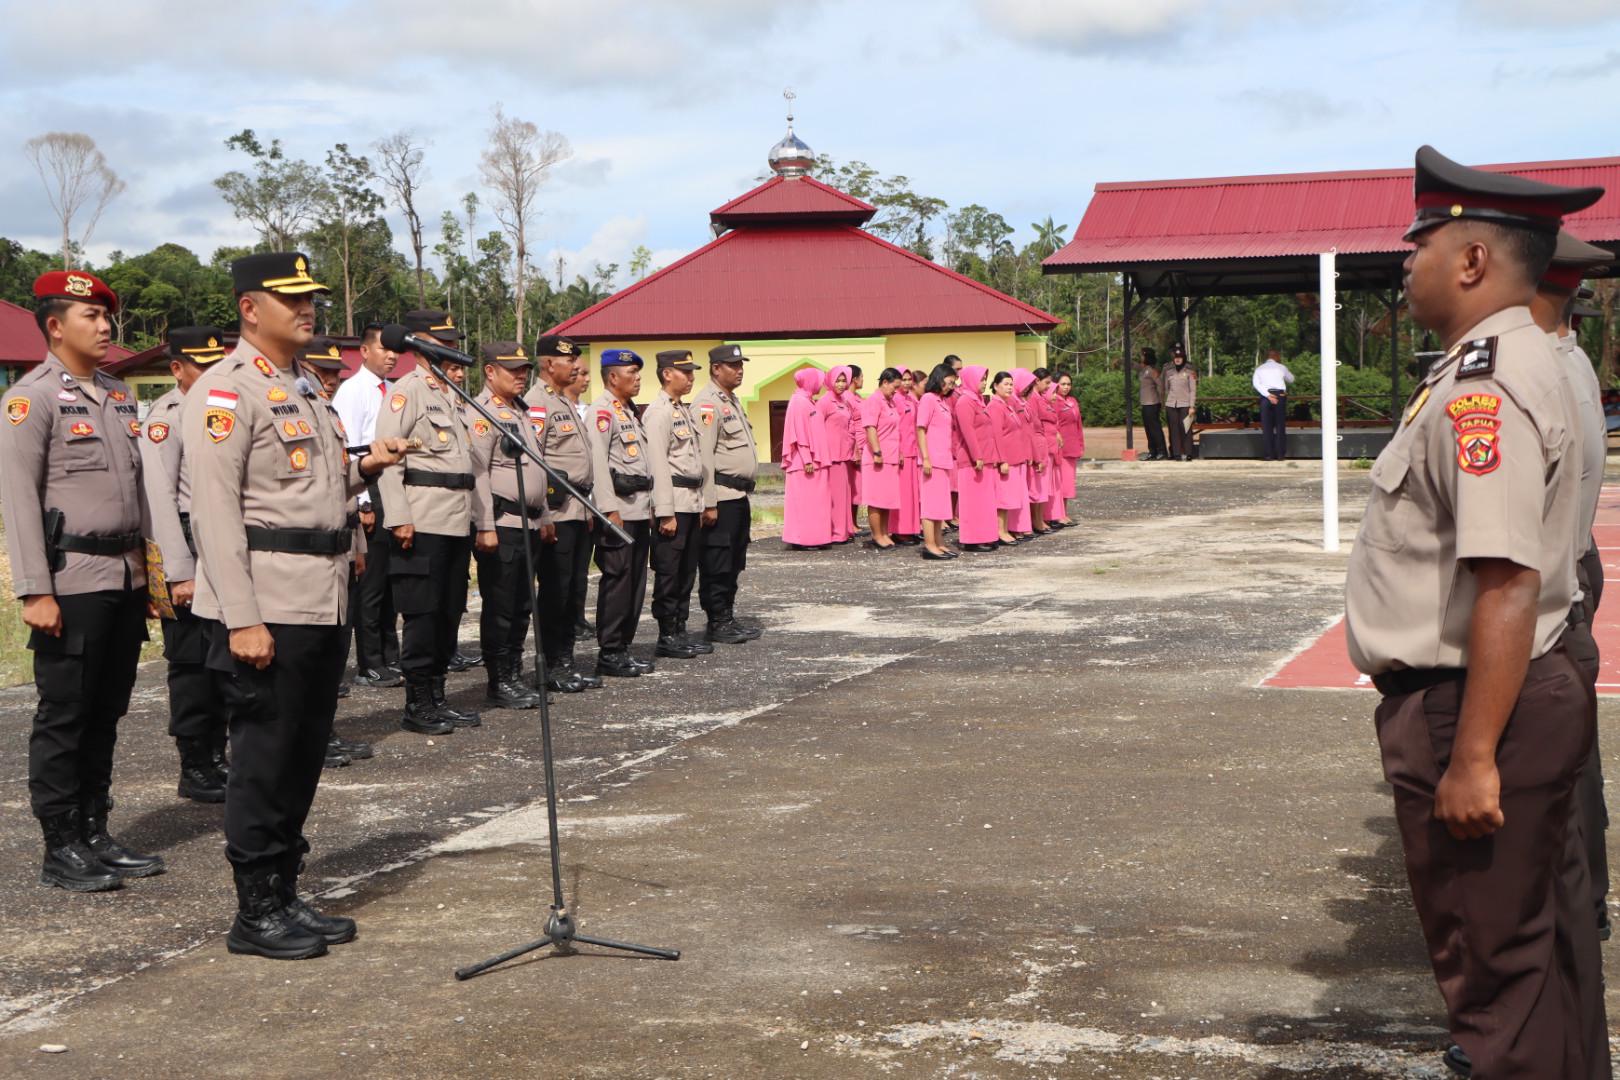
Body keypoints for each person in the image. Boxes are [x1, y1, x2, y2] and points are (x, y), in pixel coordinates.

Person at [1345, 145, 1607, 1077]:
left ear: (1471, 262)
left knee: (1493, 982)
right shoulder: (1512, 361)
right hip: (1496, 692)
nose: (1405, 260)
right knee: (1540, 967)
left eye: (1420, 242)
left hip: (1472, 699)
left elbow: (1504, 582)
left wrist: (1472, 757)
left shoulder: (1486, 382)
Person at [184, 251, 407, 958]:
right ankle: (254, 912)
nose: (308, 309)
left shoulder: (305, 385)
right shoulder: (226, 392)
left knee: (303, 751)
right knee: (263, 755)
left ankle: (284, 891)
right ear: (251, 309)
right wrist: (242, 616)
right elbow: (216, 515)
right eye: (292, 300)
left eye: (311, 298)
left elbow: (316, 486)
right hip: (268, 603)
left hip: (321, 592)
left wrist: (364, 468)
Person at [1, 270, 160, 893]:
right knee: (65, 713)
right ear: (53, 326)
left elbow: (140, 494)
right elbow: (17, 500)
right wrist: (34, 590)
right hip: (71, 580)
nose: (104, 326)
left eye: (105, 316)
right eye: (89, 316)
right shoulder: (31, 398)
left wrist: (151, 574)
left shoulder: (119, 396)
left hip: (122, 575)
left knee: (107, 710)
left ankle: (95, 829)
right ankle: (60, 843)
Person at [1530, 231, 1614, 954]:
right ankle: (1586, 908)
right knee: (1574, 768)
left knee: (1550, 780)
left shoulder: (1542, 375)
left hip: (1544, 597)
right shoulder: (1573, 363)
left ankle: (1572, 920)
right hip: (1575, 575)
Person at [373, 312, 479, 735]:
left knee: (450, 612)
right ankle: (417, 702)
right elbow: (386, 458)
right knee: (422, 614)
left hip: (455, 520)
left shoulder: (449, 392)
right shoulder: (407, 391)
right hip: (422, 519)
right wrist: (398, 517)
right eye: (444, 340)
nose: (452, 347)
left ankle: (438, 696)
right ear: (421, 344)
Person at [142, 327, 233, 802]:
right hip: (185, 544)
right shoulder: (167, 416)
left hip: (219, 540)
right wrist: (177, 571)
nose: (212, 372)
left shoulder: (223, 407)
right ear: (177, 368)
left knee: (222, 656)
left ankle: (219, 754)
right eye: (202, 364)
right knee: (191, 662)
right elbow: (158, 498)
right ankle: (195, 762)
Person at [296, 339, 372, 767]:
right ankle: (310, 737)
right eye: (322, 373)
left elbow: (342, 488)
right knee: (308, 658)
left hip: (343, 542)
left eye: (335, 374)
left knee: (334, 653)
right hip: (307, 553)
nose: (330, 380)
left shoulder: (330, 415)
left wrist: (358, 542)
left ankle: (325, 730)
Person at [468, 342, 550, 708]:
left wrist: (545, 514)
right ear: (490, 371)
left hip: (530, 524)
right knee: (501, 605)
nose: (521, 375)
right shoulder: (483, 412)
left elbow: (536, 468)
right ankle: (499, 679)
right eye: (512, 369)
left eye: (524, 369)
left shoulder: (520, 411)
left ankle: (514, 672)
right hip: (502, 523)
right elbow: (478, 473)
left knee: (522, 605)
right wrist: (484, 524)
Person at [529, 336, 601, 694]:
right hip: (555, 513)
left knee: (572, 589)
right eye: (568, 360)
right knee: (555, 592)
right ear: (547, 365)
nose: (575, 366)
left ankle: (566, 659)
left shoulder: (563, 401)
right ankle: (553, 664)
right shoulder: (537, 404)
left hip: (576, 509)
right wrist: (543, 514)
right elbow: (535, 464)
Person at [331, 322, 402, 689]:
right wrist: (361, 503)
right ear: (364, 351)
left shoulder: (391, 390)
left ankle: (391, 655)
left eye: (394, 351)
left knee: (390, 581)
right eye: (384, 349)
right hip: (367, 491)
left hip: (391, 491)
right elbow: (350, 448)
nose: (391, 356)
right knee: (371, 585)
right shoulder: (352, 391)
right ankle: (369, 661)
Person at [583, 349, 655, 677]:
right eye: (632, 373)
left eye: (639, 373)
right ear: (613, 377)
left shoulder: (627, 410)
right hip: (619, 513)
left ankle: (623, 647)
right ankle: (610, 650)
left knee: (636, 582)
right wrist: (608, 510)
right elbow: (598, 464)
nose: (638, 379)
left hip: (638, 510)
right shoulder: (601, 412)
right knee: (618, 581)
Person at [643, 350, 711, 660]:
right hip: (674, 506)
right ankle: (667, 633)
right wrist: (665, 512)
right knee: (669, 573)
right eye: (685, 371)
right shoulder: (658, 412)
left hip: (691, 503)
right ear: (667, 374)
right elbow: (658, 464)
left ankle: (680, 629)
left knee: (686, 572)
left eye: (692, 371)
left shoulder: (681, 410)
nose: (691, 377)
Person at [694, 343, 762, 643]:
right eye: (732, 366)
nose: (739, 370)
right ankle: (717, 620)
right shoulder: (707, 404)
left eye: (740, 365)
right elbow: (705, 456)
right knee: (717, 563)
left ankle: (727, 616)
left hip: (738, 497)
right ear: (715, 369)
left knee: (734, 561)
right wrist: (708, 503)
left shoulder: (731, 401)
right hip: (720, 497)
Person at [952, 365, 1001, 552]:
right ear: (971, 380)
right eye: (981, 379)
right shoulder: (965, 402)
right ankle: (972, 539)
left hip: (985, 458)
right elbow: (968, 431)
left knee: (985, 502)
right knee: (973, 503)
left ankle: (986, 535)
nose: (984, 383)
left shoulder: (978, 400)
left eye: (985, 380)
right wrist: (977, 456)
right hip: (973, 460)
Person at [781, 367, 830, 550]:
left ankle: (814, 537)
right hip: (805, 463)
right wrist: (807, 458)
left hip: (813, 460)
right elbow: (799, 432)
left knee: (814, 503)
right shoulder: (799, 402)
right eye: (818, 380)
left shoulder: (807, 400)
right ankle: (804, 539)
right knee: (806, 504)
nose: (821, 384)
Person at [915, 364, 958, 560]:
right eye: (948, 382)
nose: (950, 386)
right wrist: (925, 458)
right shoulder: (928, 399)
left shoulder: (942, 401)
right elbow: (921, 429)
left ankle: (939, 542)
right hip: (931, 460)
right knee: (931, 505)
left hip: (944, 459)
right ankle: (929, 545)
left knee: (940, 506)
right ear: (939, 379)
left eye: (952, 383)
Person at [566, 363, 595, 639]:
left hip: (590, 502)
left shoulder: (588, 411)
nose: (585, 379)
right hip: (566, 504)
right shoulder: (558, 410)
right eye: (580, 374)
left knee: (582, 567)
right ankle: (568, 619)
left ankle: (578, 615)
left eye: (586, 374)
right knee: (566, 569)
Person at [860, 368, 903, 549]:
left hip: (891, 457)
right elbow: (870, 428)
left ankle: (885, 533)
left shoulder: (890, 403)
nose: (896, 391)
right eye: (894, 386)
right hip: (877, 458)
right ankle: (877, 535)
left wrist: (899, 452)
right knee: (876, 500)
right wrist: (877, 451)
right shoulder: (874, 401)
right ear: (885, 382)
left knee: (887, 499)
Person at [815, 366, 856, 544]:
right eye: (837, 380)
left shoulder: (844, 401)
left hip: (844, 454)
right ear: (830, 381)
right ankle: (835, 532)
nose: (841, 384)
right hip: (831, 456)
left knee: (844, 494)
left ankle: (845, 529)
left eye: (843, 380)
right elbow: (816, 429)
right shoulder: (824, 402)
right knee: (835, 496)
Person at [987, 372, 1026, 544]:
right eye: (1005, 384)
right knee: (1002, 498)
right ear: (995, 386)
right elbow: (996, 435)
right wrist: (1002, 460)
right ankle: (999, 530)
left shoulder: (1007, 404)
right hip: (1005, 459)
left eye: (1011, 384)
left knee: (1010, 496)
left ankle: (1006, 528)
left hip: (1015, 457)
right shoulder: (995, 406)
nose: (1009, 387)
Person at [1013, 369, 1052, 536]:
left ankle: (1032, 522)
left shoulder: (1023, 401)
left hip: (1036, 445)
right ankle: (1028, 523)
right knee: (1029, 489)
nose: (1029, 389)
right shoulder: (1017, 403)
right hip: (1026, 448)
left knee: (1037, 488)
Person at [1047, 372, 1084, 527]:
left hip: (1073, 446)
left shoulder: (1072, 400)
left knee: (1068, 483)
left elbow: (1078, 424)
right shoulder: (1055, 401)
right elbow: (1052, 424)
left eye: (1069, 384)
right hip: (1061, 447)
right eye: (1063, 384)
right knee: (1060, 482)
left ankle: (1065, 512)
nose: (1066, 387)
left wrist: (1081, 444)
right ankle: (1057, 514)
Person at [892, 367, 923, 544]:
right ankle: (899, 530)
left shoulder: (910, 398)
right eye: (903, 379)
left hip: (913, 450)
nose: (907, 382)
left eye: (909, 379)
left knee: (912, 493)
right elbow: (894, 427)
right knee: (902, 494)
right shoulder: (895, 399)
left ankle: (911, 527)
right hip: (902, 452)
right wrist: (899, 450)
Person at [1253, 349, 1295, 461]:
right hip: (1279, 395)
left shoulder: (1259, 369)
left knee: (1267, 427)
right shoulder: (1281, 367)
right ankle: (1280, 454)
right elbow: (1291, 379)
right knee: (1280, 426)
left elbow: (1256, 384)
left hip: (1265, 396)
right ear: (1276, 356)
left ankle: (1268, 455)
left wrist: (1268, 395)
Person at [1163, 345, 1196, 461]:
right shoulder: (1169, 372)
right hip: (1171, 404)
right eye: (1176, 357)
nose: (1177, 359)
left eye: (1180, 357)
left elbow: (1193, 390)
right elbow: (1166, 389)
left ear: (1184, 358)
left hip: (1185, 405)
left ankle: (1188, 453)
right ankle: (1176, 454)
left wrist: (1192, 406)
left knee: (1186, 428)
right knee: (1174, 430)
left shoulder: (1189, 372)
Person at [1137, 347, 1168, 461]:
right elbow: (1134, 365)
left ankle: (1162, 451)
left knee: (1155, 428)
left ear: (1147, 357)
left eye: (1142, 355)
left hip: (1152, 403)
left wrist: (1161, 401)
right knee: (1148, 429)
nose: (1141, 357)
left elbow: (1160, 386)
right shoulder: (1144, 370)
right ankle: (1152, 451)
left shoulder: (1152, 371)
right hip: (1145, 403)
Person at [846, 364, 866, 533]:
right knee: (852, 486)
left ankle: (854, 521)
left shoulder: (857, 397)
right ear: (854, 379)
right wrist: (855, 449)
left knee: (858, 487)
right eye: (861, 376)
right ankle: (850, 522)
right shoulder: (847, 397)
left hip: (862, 442)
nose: (863, 380)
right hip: (854, 444)